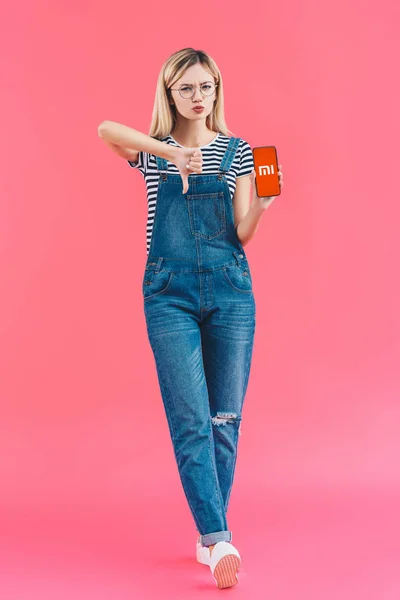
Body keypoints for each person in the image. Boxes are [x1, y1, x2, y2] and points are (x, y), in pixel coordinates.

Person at [98, 47, 283, 590]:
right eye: (186, 88)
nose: (198, 97)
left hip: (230, 290)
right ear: (170, 93)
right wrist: (168, 152)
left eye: (206, 87)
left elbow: (242, 231)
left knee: (224, 420)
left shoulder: (240, 151)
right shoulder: (154, 153)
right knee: (189, 420)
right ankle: (218, 537)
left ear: (216, 91)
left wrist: (264, 207)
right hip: (168, 293)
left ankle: (211, 538)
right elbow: (105, 129)